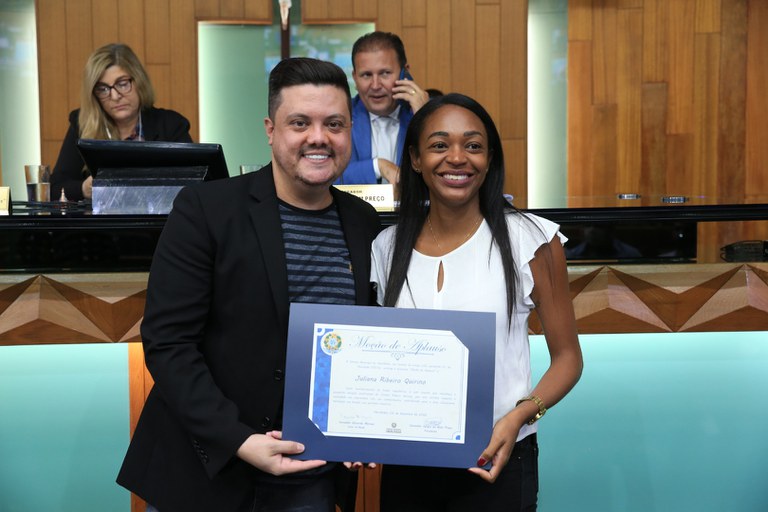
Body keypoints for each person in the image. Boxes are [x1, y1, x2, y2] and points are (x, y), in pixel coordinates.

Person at [116, 57, 381, 511]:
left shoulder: (363, 222)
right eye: (300, 122)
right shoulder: (206, 209)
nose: (319, 137)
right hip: (208, 473)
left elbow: (365, 342)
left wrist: (365, 425)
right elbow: (168, 342)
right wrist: (238, 439)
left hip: (311, 476)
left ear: (350, 132)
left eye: (334, 124)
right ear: (270, 130)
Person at [371, 93, 583, 511]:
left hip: (497, 457)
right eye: (439, 145)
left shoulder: (531, 239)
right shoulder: (386, 247)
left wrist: (519, 416)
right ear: (415, 159)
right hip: (408, 464)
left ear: (489, 159)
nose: (457, 158)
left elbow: (568, 359)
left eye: (472, 145)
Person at [50, 43, 192, 201]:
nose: (115, 96)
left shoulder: (171, 125)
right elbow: (55, 188)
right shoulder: (82, 124)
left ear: (139, 82)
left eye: (123, 84)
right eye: (103, 89)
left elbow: (195, 185)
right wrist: (83, 189)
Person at [335, 31, 429, 185]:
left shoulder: (426, 113)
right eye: (366, 75)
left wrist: (424, 119)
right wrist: (377, 167)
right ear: (355, 78)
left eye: (385, 73)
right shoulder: (338, 117)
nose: (375, 85)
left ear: (404, 73)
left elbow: (442, 171)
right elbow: (325, 175)